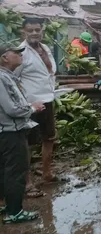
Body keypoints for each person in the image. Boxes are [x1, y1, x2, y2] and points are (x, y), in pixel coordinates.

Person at [0, 43, 44, 224]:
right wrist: (31, 108)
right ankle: (15, 212)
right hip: (10, 131)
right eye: (16, 53)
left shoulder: (8, 77)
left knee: (4, 169)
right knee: (15, 171)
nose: (20, 55)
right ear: (4, 58)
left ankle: (8, 206)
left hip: (6, 131)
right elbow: (11, 108)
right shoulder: (2, 78)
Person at [14, 18, 58, 193]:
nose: (34, 33)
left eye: (37, 30)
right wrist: (25, 102)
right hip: (30, 105)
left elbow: (49, 74)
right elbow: (13, 80)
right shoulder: (20, 53)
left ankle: (47, 173)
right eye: (30, 30)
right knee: (29, 143)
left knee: (49, 138)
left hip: (48, 100)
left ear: (42, 31)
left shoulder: (45, 48)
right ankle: (27, 182)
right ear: (23, 32)